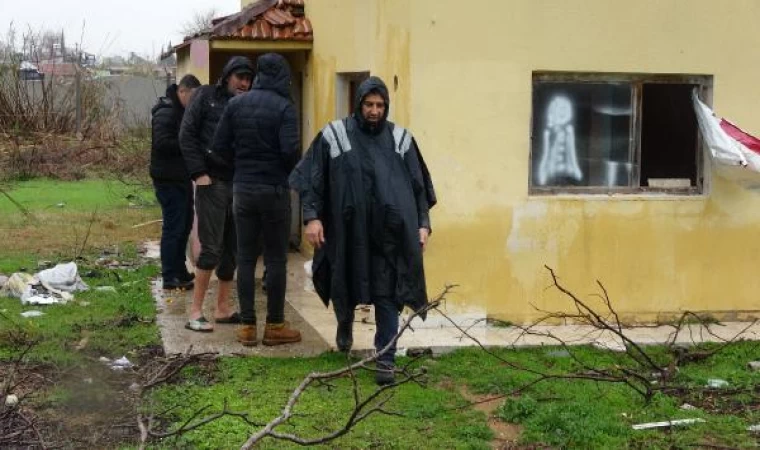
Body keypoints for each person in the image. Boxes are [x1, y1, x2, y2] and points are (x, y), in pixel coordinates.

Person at [289, 76, 436, 384]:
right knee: (345, 283)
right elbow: (311, 178)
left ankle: (386, 358)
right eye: (369, 104)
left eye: (380, 105)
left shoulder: (401, 140)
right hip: (347, 233)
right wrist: (312, 217)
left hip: (388, 236)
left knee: (387, 294)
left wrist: (423, 223)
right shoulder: (335, 135)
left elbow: (419, 187)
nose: (374, 111)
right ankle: (345, 324)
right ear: (358, 104)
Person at [213, 53, 301, 346]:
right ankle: (275, 325)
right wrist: (283, 173)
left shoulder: (236, 105)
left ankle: (247, 326)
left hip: (243, 190)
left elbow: (219, 146)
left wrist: (240, 167)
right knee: (276, 259)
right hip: (275, 190)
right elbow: (291, 151)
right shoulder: (285, 107)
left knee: (246, 258)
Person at [179, 56, 254, 332]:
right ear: (227, 76)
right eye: (240, 77)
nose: (244, 83)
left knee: (232, 249)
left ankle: (222, 308)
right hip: (212, 182)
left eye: (248, 79)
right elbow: (186, 134)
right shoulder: (205, 96)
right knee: (210, 248)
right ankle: (195, 312)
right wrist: (199, 173)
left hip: (239, 183)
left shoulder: (248, 103)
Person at [150, 74, 201, 290]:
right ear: (182, 91)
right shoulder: (166, 112)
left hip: (181, 177)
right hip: (167, 178)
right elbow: (162, 143)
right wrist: (187, 143)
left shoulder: (180, 111)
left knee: (185, 224)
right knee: (173, 227)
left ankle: (179, 270)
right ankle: (169, 275)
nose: (195, 102)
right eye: (193, 97)